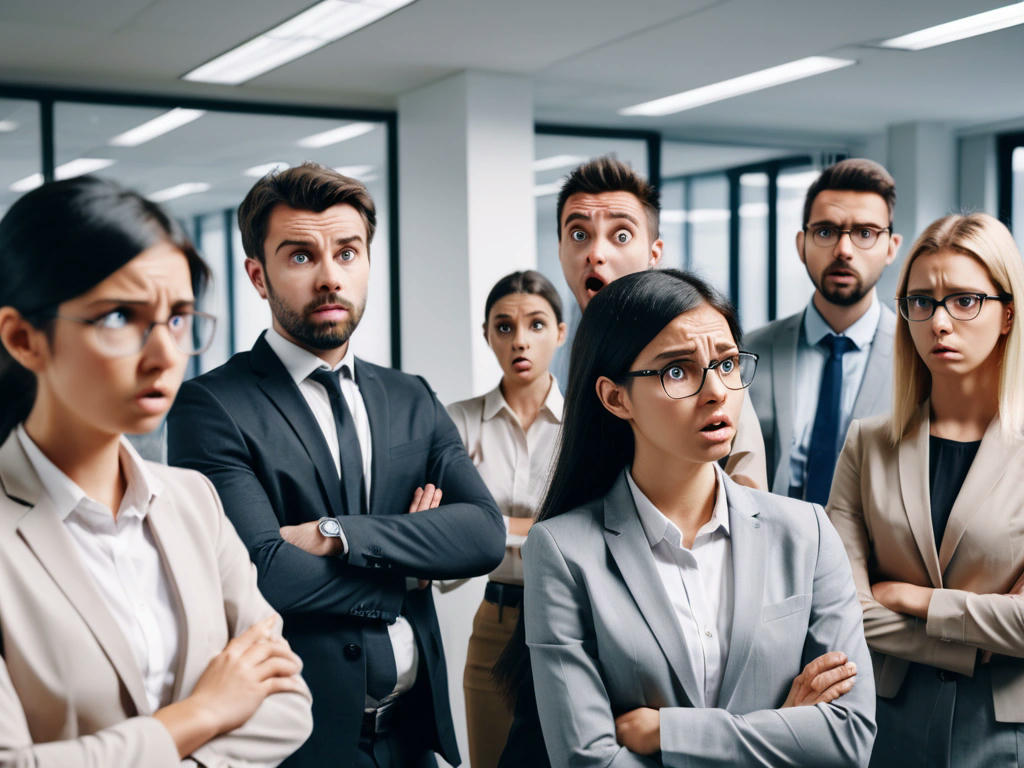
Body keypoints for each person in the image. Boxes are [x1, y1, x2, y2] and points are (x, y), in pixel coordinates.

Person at [166, 163, 505, 768]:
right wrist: (409, 563)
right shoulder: (213, 406)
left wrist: (338, 536)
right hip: (299, 743)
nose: (329, 278)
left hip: (413, 737)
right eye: (300, 257)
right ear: (258, 276)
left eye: (347, 253)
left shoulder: (411, 397)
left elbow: (483, 534)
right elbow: (264, 575)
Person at [0, 176, 313, 767]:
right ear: (24, 339)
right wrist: (203, 712)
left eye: (178, 318)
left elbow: (287, 702)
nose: (167, 353)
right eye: (120, 317)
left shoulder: (193, 500)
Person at [522, 268, 875, 766]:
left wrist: (668, 732)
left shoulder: (807, 532)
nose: (717, 392)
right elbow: (589, 761)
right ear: (615, 397)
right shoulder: (563, 552)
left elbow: (848, 736)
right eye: (677, 371)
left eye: (727, 363)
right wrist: (781, 730)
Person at [827, 213, 1024, 768]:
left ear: (1007, 313)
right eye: (921, 301)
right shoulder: (868, 445)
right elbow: (843, 609)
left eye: (965, 300)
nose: (939, 322)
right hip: (889, 721)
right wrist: (980, 636)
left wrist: (913, 598)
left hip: (1005, 729)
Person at [553, 155, 767, 490]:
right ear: (561, 250)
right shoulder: (555, 354)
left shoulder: (705, 361)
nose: (595, 253)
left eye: (621, 235)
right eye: (579, 234)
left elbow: (749, 504)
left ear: (654, 254)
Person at [444, 270, 567, 768]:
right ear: (487, 334)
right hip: (494, 621)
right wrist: (535, 526)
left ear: (561, 332)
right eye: (503, 326)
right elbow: (445, 534)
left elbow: (588, 528)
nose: (519, 340)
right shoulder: (456, 420)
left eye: (536, 325)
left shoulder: (588, 422)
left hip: (569, 620)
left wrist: (484, 522)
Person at [746, 158, 902, 502]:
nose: (843, 250)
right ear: (801, 244)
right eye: (826, 232)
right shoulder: (748, 352)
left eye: (865, 233)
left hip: (876, 555)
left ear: (891, 248)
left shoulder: (919, 357)